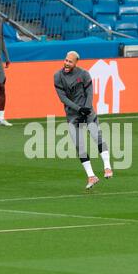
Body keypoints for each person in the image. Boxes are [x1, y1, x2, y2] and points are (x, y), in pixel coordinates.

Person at [54, 51, 113, 190]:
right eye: (66, 60)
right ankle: (91, 176)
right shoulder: (57, 76)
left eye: (70, 61)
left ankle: (107, 167)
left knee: (96, 136)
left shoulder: (84, 74)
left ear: (76, 63)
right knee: (79, 145)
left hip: (88, 112)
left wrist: (86, 108)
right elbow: (63, 98)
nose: (67, 63)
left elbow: (90, 92)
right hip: (73, 116)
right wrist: (78, 109)